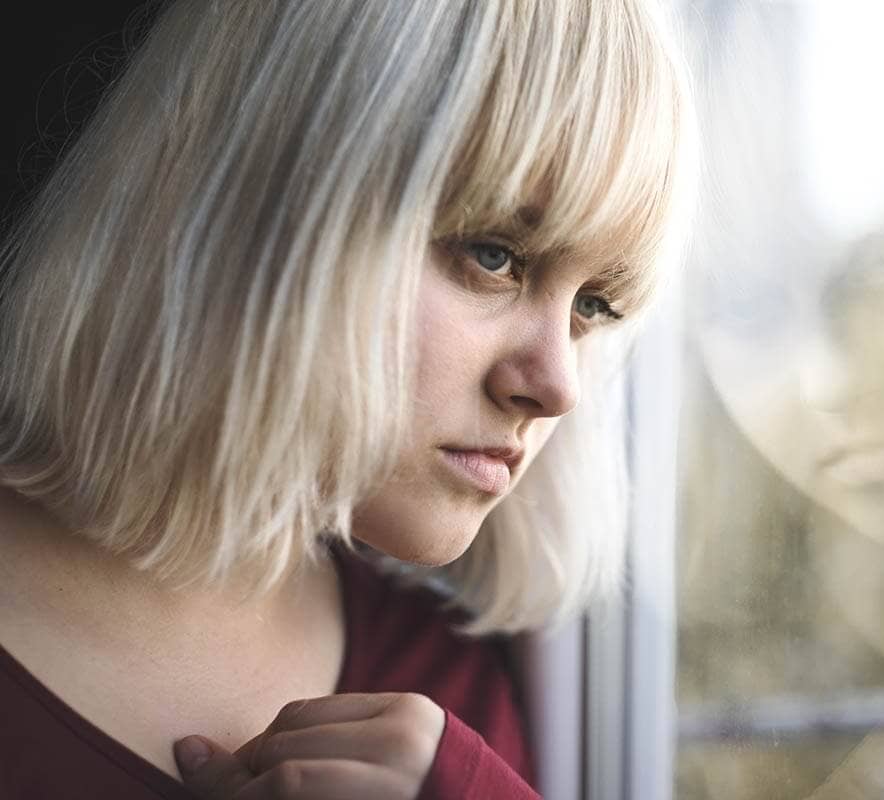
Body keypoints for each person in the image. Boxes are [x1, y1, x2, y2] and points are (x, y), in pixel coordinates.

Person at [0, 1, 696, 797]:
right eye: (495, 255)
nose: (557, 387)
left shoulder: (448, 703)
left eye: (593, 308)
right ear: (268, 193)